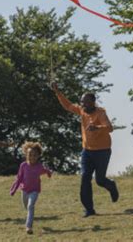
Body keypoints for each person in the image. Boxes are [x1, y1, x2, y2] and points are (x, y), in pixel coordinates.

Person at [51, 82, 119, 217]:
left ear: (93, 102)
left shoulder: (101, 113)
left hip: (102, 151)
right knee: (85, 178)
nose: (83, 105)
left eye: (86, 102)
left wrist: (97, 127)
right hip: (87, 151)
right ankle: (89, 209)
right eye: (82, 102)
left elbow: (110, 128)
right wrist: (57, 92)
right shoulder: (82, 110)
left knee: (100, 180)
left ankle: (111, 185)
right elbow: (68, 105)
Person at [10, 141, 52, 234]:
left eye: (35, 155)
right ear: (26, 155)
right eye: (30, 155)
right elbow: (19, 178)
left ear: (38, 156)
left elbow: (46, 171)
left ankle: (28, 227)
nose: (32, 157)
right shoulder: (23, 165)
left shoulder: (39, 166)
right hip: (24, 190)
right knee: (27, 207)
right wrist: (13, 189)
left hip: (34, 191)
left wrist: (49, 173)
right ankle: (30, 215)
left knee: (30, 206)